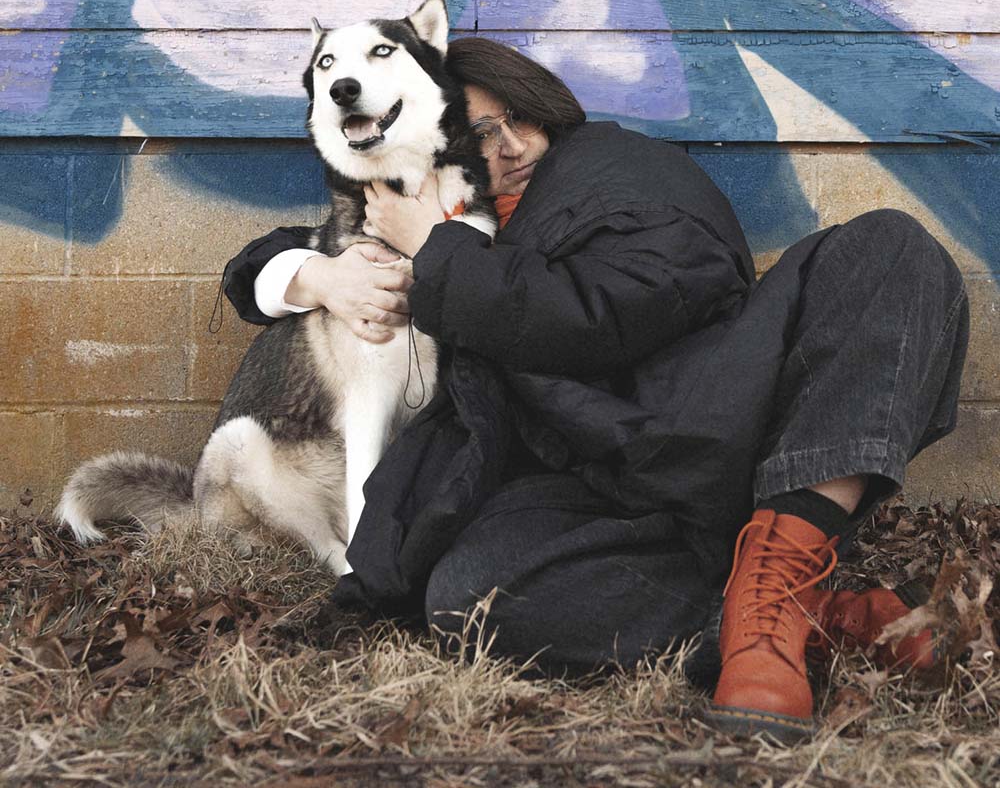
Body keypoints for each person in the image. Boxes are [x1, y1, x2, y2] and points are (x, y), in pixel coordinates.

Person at [222, 37, 969, 743]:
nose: (509, 145)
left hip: (726, 421)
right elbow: (259, 262)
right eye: (476, 134)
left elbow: (589, 316)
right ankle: (809, 617)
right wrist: (318, 275)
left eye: (517, 117)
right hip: (602, 482)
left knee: (890, 249)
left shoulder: (614, 172)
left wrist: (434, 248)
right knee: (468, 596)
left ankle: (778, 578)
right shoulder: (444, 224)